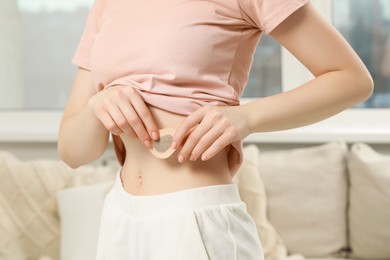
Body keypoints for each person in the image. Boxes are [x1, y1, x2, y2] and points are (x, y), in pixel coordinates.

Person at [58, 0, 373, 259]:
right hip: (119, 215)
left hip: (195, 219)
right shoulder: (106, 4)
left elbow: (352, 79)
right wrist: (98, 104)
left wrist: (246, 118)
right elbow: (72, 152)